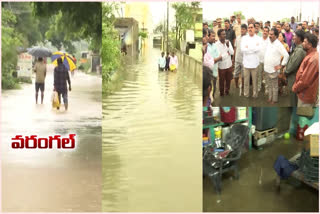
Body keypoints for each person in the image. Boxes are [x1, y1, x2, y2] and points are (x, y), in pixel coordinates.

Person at [292, 33, 319, 107]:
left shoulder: (313, 59)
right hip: (304, 94)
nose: (302, 43)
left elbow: (305, 81)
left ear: (310, 45)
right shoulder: (310, 55)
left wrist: (295, 87)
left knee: (303, 117)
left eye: (304, 42)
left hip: (306, 96)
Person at [264, 28, 289, 104]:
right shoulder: (269, 41)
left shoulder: (279, 44)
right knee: (269, 84)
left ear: (276, 36)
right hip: (267, 68)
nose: (270, 35)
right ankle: (270, 97)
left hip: (274, 69)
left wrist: (281, 65)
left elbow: (286, 55)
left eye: (271, 34)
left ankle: (274, 100)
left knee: (274, 85)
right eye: (269, 34)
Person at [284, 30, 306, 106]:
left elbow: (292, 66)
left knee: (294, 102)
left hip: (294, 80)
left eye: (295, 36)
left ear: (299, 38)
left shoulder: (299, 51)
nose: (293, 38)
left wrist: (285, 71)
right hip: (294, 79)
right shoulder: (298, 48)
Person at [241, 23, 261, 98]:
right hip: (246, 63)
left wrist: (248, 48)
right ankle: (246, 94)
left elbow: (258, 49)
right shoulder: (244, 38)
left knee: (255, 81)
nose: (250, 29)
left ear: (254, 29)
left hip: (255, 63)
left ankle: (255, 94)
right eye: (249, 27)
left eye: (251, 27)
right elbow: (243, 49)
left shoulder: (258, 38)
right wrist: (253, 49)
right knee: (246, 81)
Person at [216, 29, 234, 96]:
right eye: (223, 34)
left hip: (229, 65)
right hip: (222, 66)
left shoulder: (228, 42)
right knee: (221, 80)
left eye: (225, 34)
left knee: (228, 79)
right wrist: (226, 54)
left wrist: (228, 47)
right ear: (219, 36)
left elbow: (232, 52)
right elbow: (219, 57)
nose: (225, 35)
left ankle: (227, 90)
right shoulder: (216, 45)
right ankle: (221, 92)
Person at [206, 30, 222, 100]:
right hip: (208, 73)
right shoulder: (206, 47)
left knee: (214, 88)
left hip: (215, 71)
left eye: (214, 36)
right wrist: (216, 59)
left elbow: (219, 56)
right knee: (208, 89)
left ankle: (212, 101)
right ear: (208, 36)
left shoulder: (215, 46)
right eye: (212, 36)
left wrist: (216, 59)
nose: (214, 38)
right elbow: (212, 60)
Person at [234, 24, 247, 93]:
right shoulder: (237, 37)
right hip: (237, 59)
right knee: (236, 73)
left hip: (244, 60)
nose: (242, 30)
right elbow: (235, 48)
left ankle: (242, 85)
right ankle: (236, 85)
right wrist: (233, 58)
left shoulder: (248, 38)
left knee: (243, 75)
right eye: (241, 29)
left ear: (246, 30)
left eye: (243, 29)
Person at [258, 27, 270, 94]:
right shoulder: (259, 40)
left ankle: (267, 88)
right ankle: (259, 87)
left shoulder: (270, 41)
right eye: (264, 31)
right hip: (259, 61)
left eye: (266, 31)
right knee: (259, 75)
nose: (265, 32)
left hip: (267, 62)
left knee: (266, 76)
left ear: (268, 32)